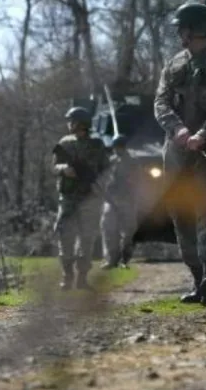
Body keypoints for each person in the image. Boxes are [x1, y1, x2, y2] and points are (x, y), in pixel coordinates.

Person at [153, 2, 206, 307]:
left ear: (193, 29)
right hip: (176, 152)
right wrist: (178, 130)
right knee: (180, 213)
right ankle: (196, 279)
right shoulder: (173, 65)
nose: (179, 34)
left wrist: (204, 134)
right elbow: (160, 103)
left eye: (182, 28)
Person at [52, 106, 109, 290]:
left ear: (80, 123)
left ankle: (82, 278)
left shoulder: (97, 145)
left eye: (71, 121)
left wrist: (98, 185)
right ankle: (67, 276)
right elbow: (53, 166)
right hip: (68, 197)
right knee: (65, 236)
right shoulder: (64, 143)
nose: (69, 124)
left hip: (90, 198)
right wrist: (63, 169)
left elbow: (106, 170)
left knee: (87, 238)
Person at [99, 134, 138, 269]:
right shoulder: (111, 161)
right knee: (108, 229)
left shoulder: (132, 162)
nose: (117, 149)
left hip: (126, 199)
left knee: (128, 233)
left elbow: (135, 181)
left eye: (119, 147)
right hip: (110, 199)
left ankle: (124, 260)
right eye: (115, 147)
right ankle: (111, 260)